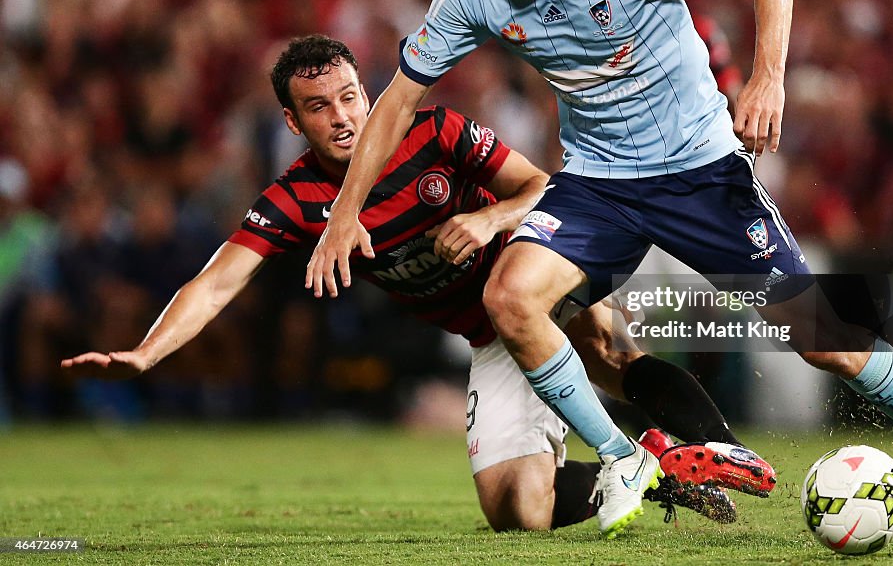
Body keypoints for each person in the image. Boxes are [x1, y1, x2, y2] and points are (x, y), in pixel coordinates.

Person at [306, 0, 893, 542]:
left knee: (823, 339)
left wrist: (769, 74)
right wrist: (344, 214)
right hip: (597, 182)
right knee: (509, 298)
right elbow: (396, 102)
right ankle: (623, 459)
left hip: (700, 172)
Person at [62, 34, 776, 533]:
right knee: (514, 509)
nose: (343, 116)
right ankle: (660, 469)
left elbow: (543, 186)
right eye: (320, 107)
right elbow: (215, 283)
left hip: (531, 275)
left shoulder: (433, 133)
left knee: (600, 342)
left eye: (349, 96)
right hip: (489, 333)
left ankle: (730, 456)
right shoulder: (294, 197)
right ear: (292, 118)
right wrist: (148, 353)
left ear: (365, 90)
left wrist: (489, 217)